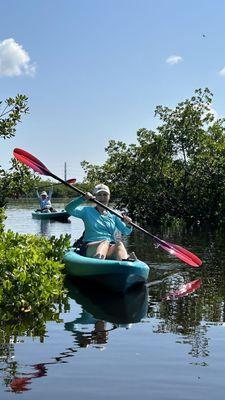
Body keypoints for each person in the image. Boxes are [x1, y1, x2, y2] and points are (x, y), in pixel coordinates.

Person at [65, 183, 137, 260]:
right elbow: (69, 209)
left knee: (119, 244)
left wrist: (128, 224)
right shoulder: (86, 211)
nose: (102, 197)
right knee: (104, 242)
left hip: (109, 246)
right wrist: (82, 198)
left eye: (105, 195)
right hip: (90, 245)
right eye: (99, 195)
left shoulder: (114, 215)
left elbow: (126, 231)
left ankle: (125, 262)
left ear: (109, 197)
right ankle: (98, 261)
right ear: (95, 197)